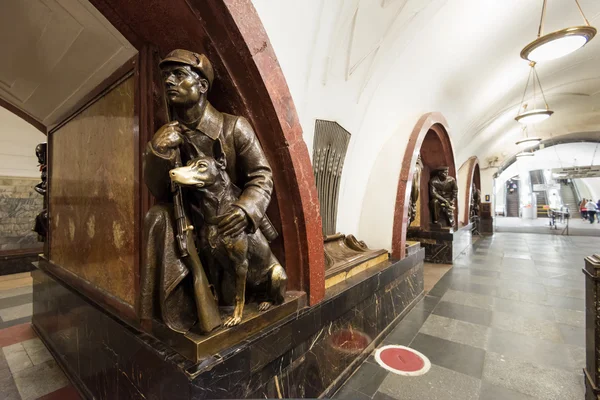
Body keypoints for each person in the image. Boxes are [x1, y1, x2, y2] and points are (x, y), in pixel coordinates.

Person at [140, 49, 275, 334]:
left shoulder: (234, 127)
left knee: (232, 290)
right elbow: (157, 189)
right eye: (165, 76)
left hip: (230, 227)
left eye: (178, 75)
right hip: (192, 226)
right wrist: (158, 150)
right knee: (156, 216)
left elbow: (261, 175)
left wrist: (245, 209)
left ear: (202, 86)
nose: (169, 82)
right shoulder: (168, 134)